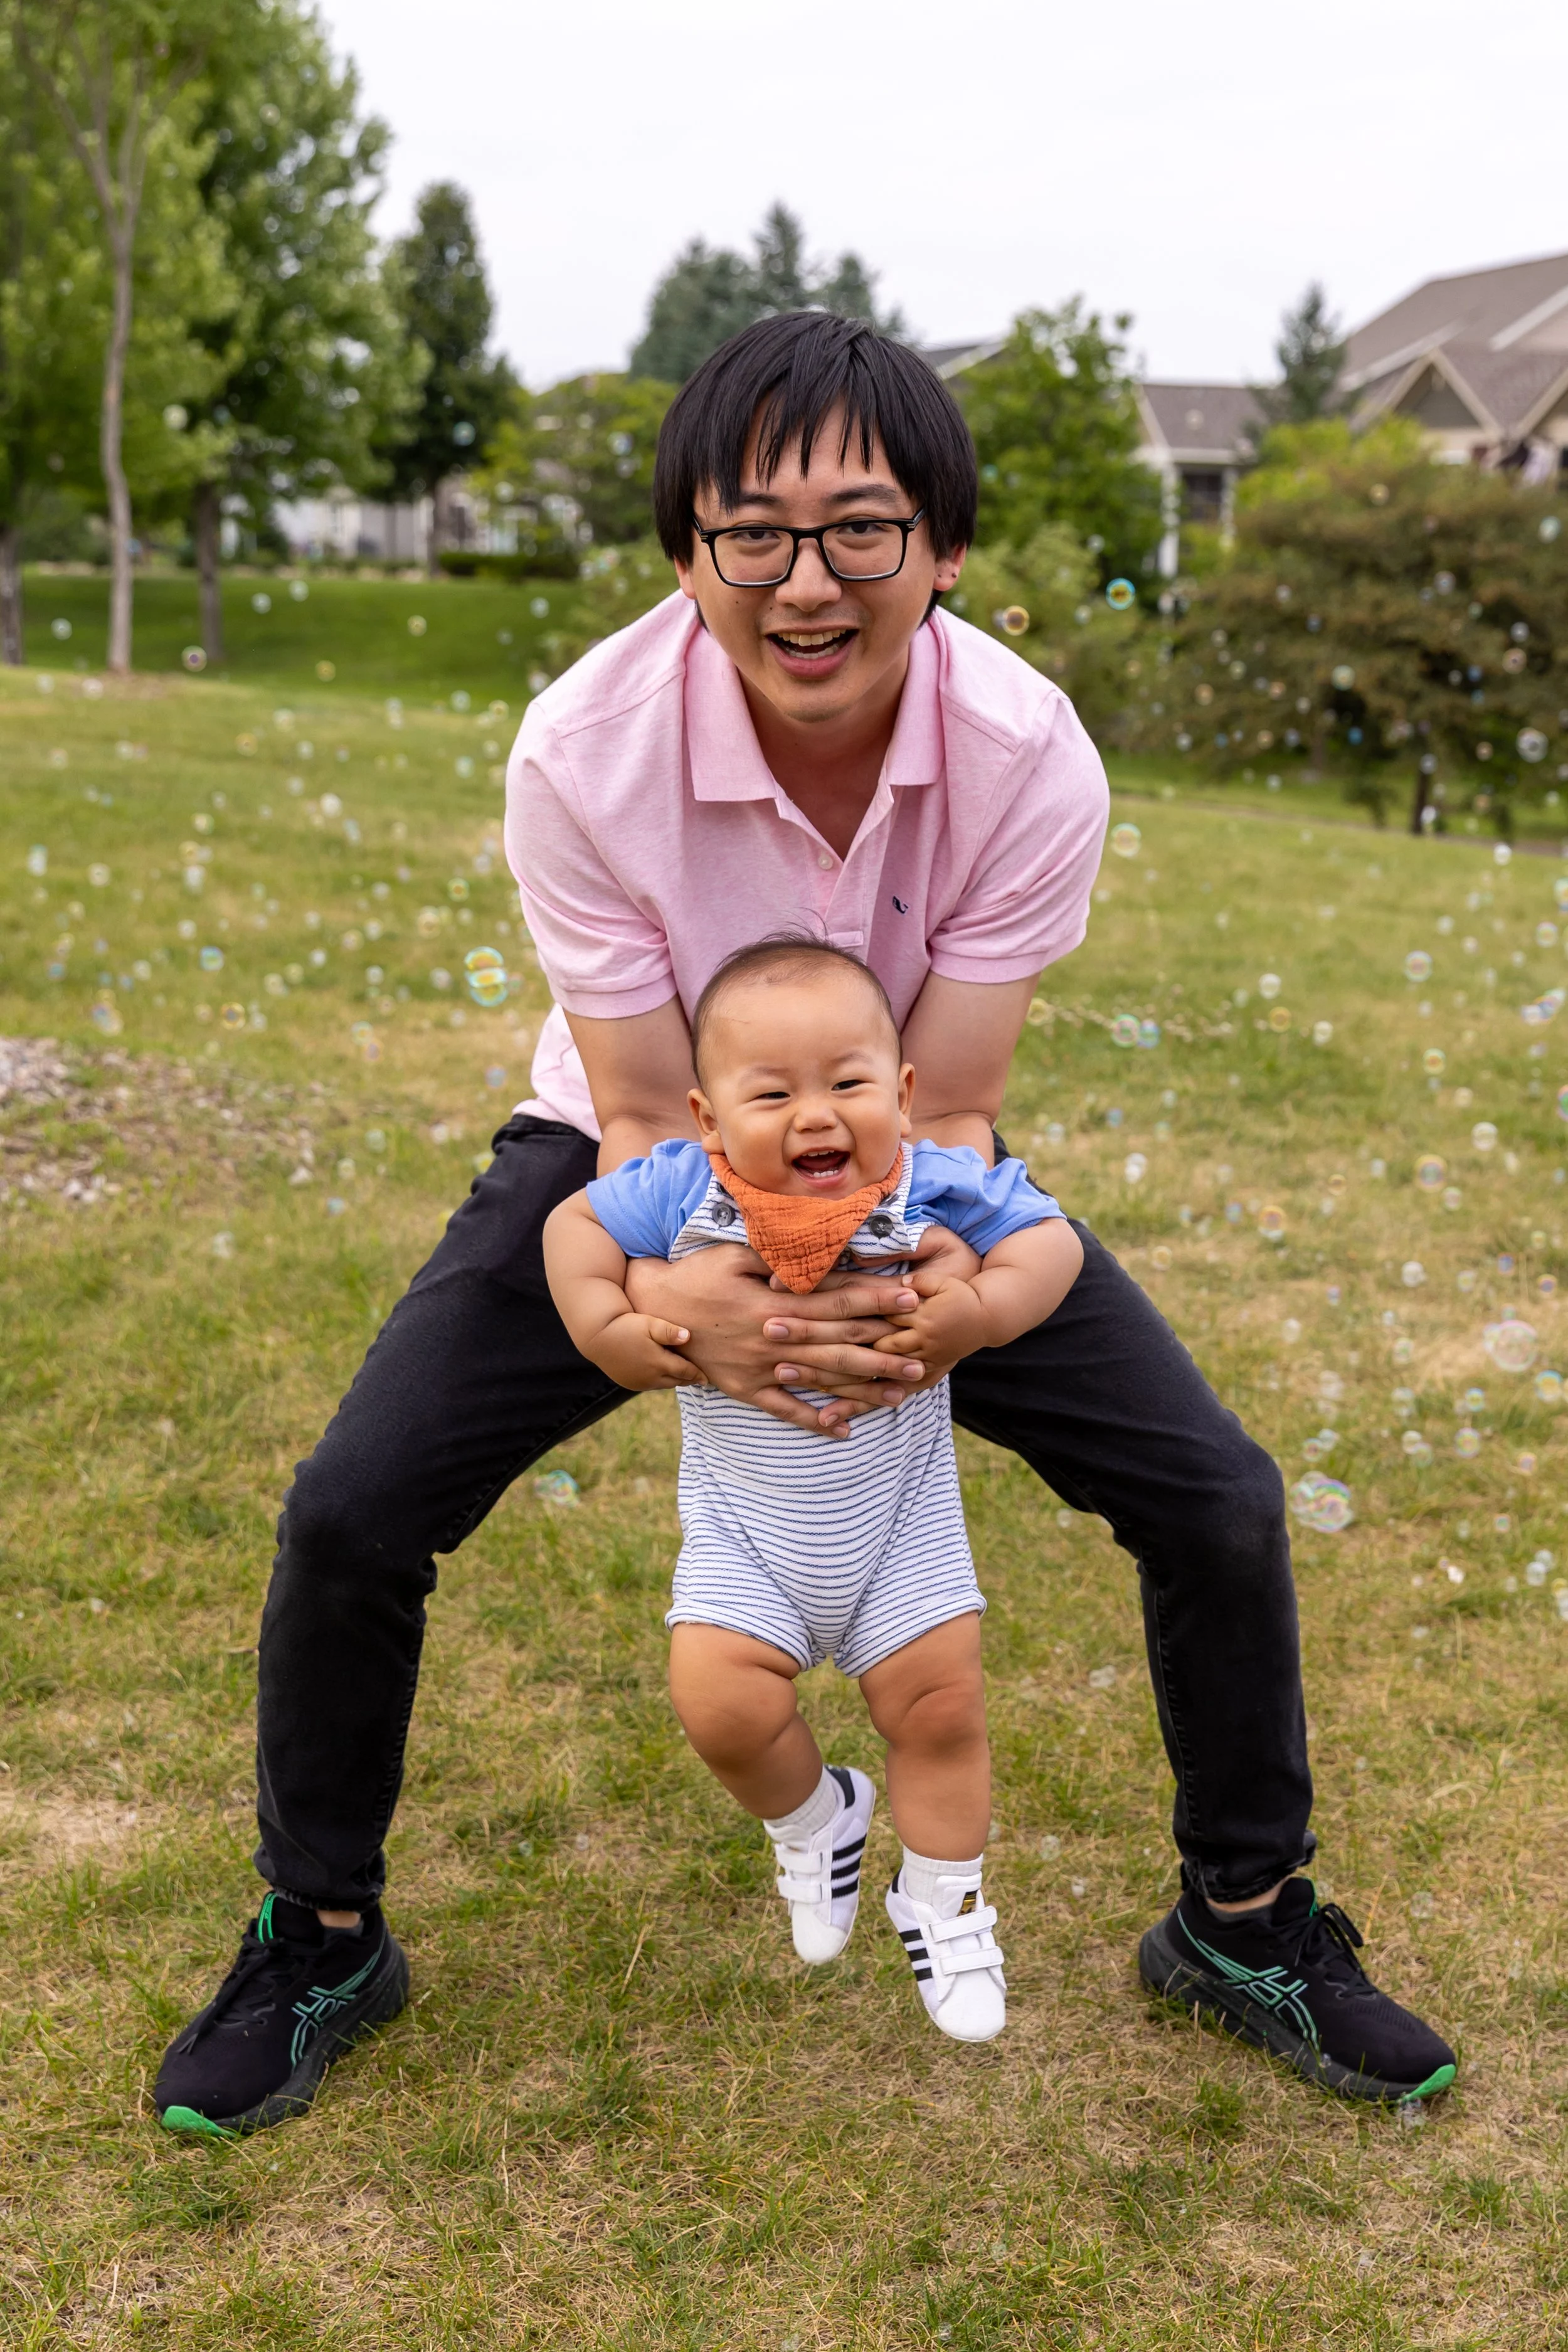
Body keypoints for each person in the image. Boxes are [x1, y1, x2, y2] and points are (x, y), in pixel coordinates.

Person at [154, 310, 1455, 2139]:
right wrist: (696, 1307)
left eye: (860, 527)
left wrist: (947, 1303)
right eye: (748, 533)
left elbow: (954, 1093)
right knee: (353, 1505)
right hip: (645, 1155)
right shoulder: (582, 749)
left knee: (1217, 1496)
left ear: (940, 544)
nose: (805, 579)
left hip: (905, 1151)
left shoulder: (1027, 753)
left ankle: (1239, 1918)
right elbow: (622, 1110)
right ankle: (321, 1928)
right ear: (687, 550)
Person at [544, 937, 1083, 2043]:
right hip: (750, 1535)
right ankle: (816, 1816)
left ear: (903, 1093)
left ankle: (946, 1905)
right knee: (720, 1705)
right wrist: (608, 1329)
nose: (816, 1116)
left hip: (901, 1534)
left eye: (848, 1082)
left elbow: (1051, 1239)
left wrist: (981, 1311)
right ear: (707, 1115)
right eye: (773, 1092)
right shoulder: (682, 1191)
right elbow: (572, 1227)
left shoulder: (931, 1182)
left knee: (941, 1714)